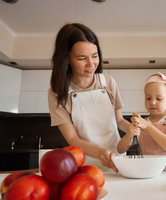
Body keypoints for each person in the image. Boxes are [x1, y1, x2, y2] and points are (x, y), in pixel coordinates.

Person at [48, 23, 129, 172]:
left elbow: (119, 121)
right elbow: (72, 139)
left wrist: (136, 129)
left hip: (118, 160)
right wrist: (101, 153)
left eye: (95, 56)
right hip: (86, 164)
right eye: (82, 58)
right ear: (67, 58)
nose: (91, 64)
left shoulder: (108, 82)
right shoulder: (57, 93)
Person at [117, 72, 166, 170]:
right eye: (148, 98)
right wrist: (130, 133)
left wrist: (148, 127)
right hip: (151, 174)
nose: (152, 102)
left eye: (159, 99)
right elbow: (120, 149)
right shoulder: (142, 124)